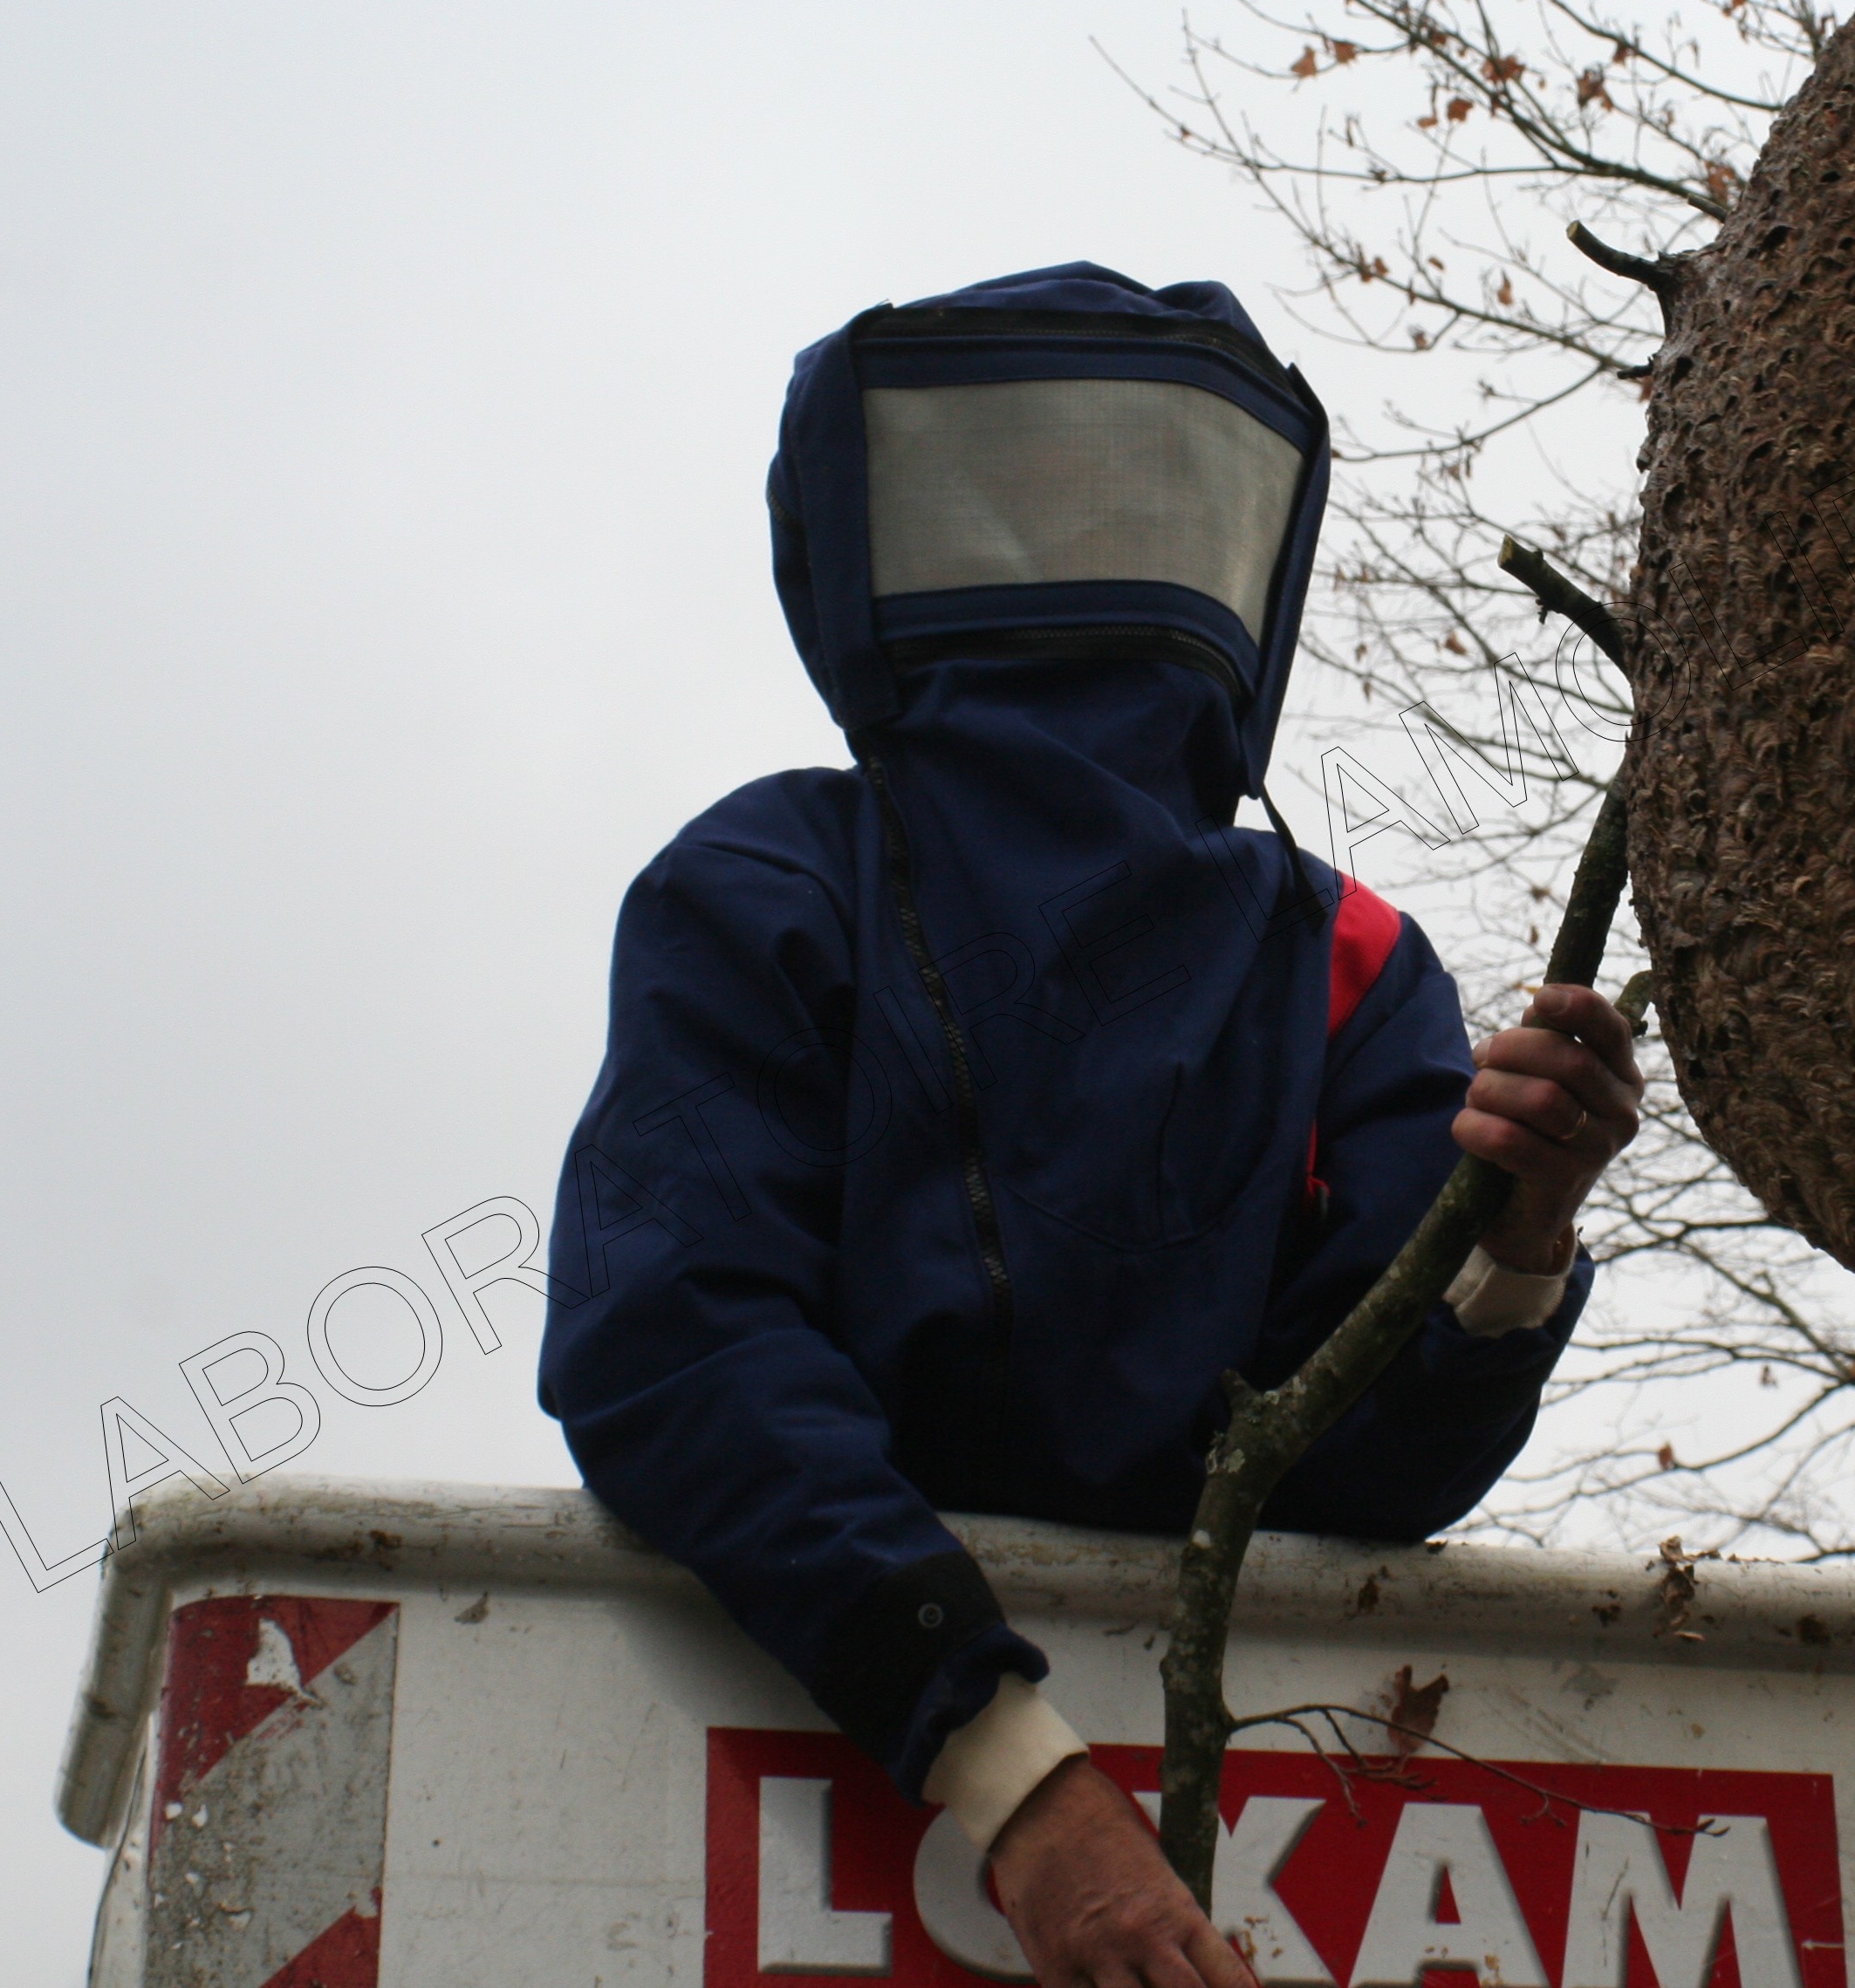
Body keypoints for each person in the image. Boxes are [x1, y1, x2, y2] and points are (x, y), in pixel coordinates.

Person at [537, 263, 1642, 1988]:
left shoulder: (1345, 957)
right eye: (1040, 493)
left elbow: (1360, 1470)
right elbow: (674, 1343)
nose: (1102, 536)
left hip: (1241, 1838)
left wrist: (1513, 1244)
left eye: (1149, 494)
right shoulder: (777, 887)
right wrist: (1020, 1786)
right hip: (775, 1772)